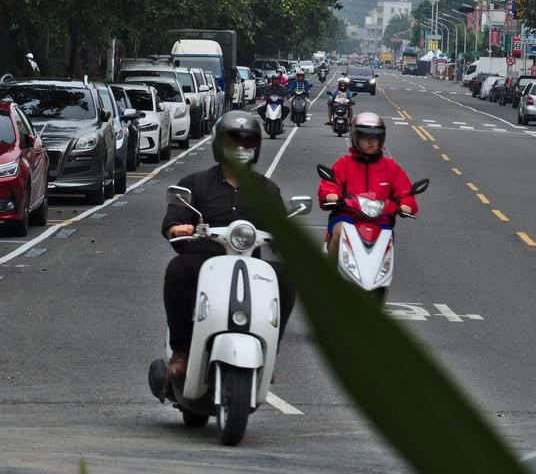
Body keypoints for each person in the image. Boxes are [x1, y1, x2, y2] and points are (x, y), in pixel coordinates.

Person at [161, 110, 296, 381]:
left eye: (247, 143)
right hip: (204, 261)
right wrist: (178, 227)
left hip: (250, 266)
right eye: (234, 142)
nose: (241, 148)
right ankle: (181, 351)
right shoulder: (195, 183)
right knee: (178, 269)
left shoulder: (267, 189)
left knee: (286, 276)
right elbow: (174, 219)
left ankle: (269, 353)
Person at [317, 112, 418, 262]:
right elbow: (330, 183)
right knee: (338, 232)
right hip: (348, 216)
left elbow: (405, 191)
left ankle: (380, 281)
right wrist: (331, 193)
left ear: (381, 140)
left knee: (386, 243)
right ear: (355, 138)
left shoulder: (390, 167)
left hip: (380, 220)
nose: (370, 142)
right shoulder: (344, 164)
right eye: (365, 138)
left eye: (375, 139)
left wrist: (406, 205)